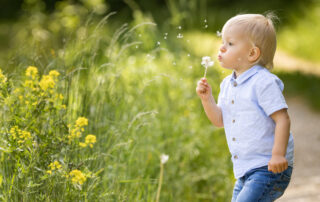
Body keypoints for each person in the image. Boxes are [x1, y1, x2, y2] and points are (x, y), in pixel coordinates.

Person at [196, 13, 294, 201]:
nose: (222, 48)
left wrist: (278, 155)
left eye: (230, 44)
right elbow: (219, 121)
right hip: (244, 169)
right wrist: (207, 99)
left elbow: (282, 119)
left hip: (268, 166)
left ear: (252, 53)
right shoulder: (227, 84)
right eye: (223, 42)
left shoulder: (263, 82)